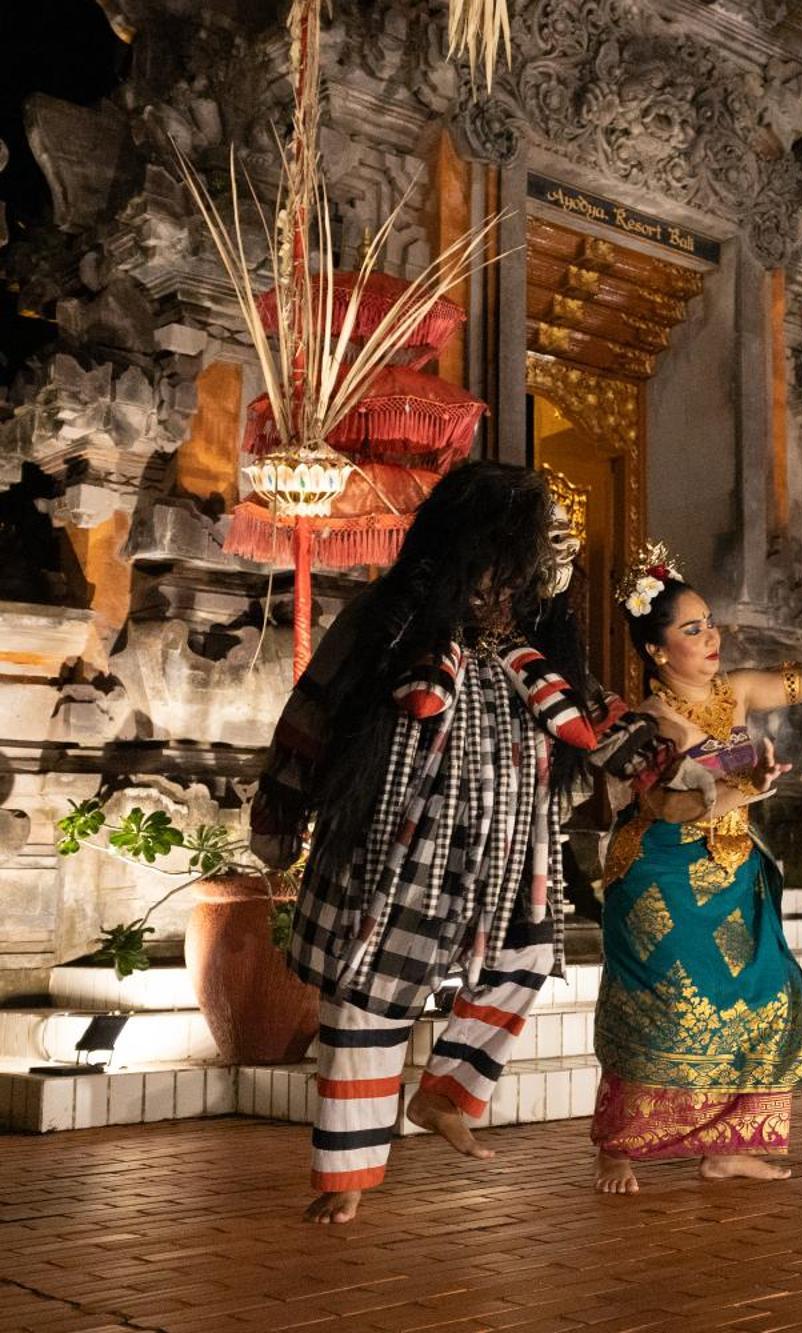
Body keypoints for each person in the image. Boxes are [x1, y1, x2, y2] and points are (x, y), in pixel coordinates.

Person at [250, 464, 671, 1226]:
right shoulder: (388, 623)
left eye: (522, 569)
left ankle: (444, 1094)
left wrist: (693, 757)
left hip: (510, 862)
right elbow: (310, 714)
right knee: (369, 996)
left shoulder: (536, 645)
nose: (510, 585)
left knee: (524, 962)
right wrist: (279, 817)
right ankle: (345, 1173)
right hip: (400, 857)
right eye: (500, 564)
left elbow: (605, 729)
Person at [589, 543, 802, 1193]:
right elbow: (668, 806)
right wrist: (748, 787)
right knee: (667, 1010)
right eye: (691, 629)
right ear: (656, 652)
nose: (710, 637)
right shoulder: (651, 723)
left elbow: (795, 680)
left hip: (732, 876)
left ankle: (728, 1145)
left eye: (708, 622)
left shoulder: (731, 693)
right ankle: (617, 1148)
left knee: (765, 997)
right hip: (663, 880)